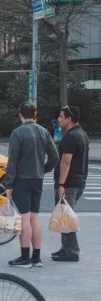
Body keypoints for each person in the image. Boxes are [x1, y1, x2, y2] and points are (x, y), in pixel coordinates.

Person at [3, 102, 59, 269]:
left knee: (24, 218)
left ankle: (24, 257)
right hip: (37, 179)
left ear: (21, 115)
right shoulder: (44, 132)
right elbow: (54, 157)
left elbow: (12, 161)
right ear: (35, 114)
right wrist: (43, 169)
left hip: (22, 180)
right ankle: (36, 258)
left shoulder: (17, 133)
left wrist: (9, 184)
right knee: (34, 218)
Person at [52, 105, 89, 263]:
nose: (59, 119)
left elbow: (66, 162)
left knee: (66, 216)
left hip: (69, 183)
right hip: (78, 181)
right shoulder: (82, 134)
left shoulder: (70, 136)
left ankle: (72, 251)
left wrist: (61, 184)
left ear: (69, 119)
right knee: (64, 215)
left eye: (61, 116)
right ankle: (65, 248)